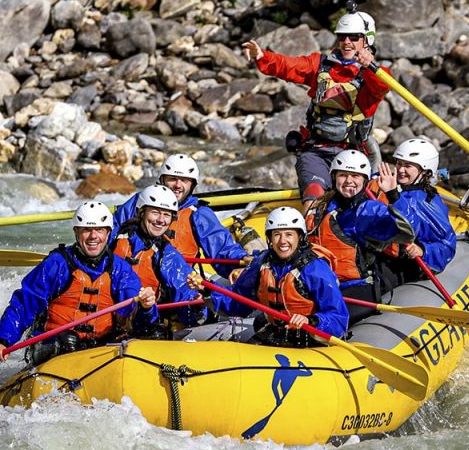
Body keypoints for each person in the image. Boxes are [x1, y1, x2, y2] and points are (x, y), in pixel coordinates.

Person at [241, 1, 391, 208]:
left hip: (353, 153)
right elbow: (289, 66)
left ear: (367, 40)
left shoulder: (377, 75)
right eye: (342, 37)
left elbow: (381, 88)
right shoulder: (320, 65)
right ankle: (312, 229)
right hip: (316, 151)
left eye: (354, 37)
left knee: (358, 206)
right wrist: (262, 57)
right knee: (314, 200)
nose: (346, 42)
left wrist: (370, 67)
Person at [0, 200, 158, 364]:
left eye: (99, 230)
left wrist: (145, 307)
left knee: (149, 335)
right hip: (51, 344)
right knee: (69, 340)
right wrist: (4, 340)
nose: (93, 236)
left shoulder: (120, 269)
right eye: (86, 230)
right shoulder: (56, 264)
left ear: (108, 233)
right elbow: (24, 304)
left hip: (98, 347)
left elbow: (134, 310)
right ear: (76, 232)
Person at [190, 206, 348, 347]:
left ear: (300, 237)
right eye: (277, 235)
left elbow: (338, 318)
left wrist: (312, 320)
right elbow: (237, 302)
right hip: (276, 332)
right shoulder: (261, 264)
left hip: (310, 338)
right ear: (270, 238)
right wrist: (208, 289)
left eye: (289, 234)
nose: (283, 241)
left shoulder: (316, 269)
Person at [305, 149, 415, 325]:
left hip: (357, 289)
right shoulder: (321, 207)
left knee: (313, 321)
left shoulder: (368, 210)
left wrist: (393, 195)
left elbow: (406, 230)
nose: (349, 181)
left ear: (364, 180)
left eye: (355, 176)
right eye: (343, 175)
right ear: (334, 178)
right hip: (325, 286)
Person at [112, 153, 249, 280]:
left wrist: (243, 261)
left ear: (192, 184)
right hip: (127, 280)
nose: (178, 185)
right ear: (162, 179)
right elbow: (110, 233)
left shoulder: (198, 214)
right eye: (172, 179)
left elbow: (221, 248)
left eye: (184, 180)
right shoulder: (140, 201)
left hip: (177, 285)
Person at [111, 184, 205, 336]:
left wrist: (198, 299)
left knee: (157, 333)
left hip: (140, 323)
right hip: (105, 318)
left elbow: (184, 288)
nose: (161, 220)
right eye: (155, 213)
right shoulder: (114, 237)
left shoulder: (166, 254)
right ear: (141, 213)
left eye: (167, 215)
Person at [373, 138, 457, 290]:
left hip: (402, 266)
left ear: (424, 170)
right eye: (399, 163)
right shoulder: (388, 184)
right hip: (377, 254)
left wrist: (423, 250)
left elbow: (447, 245)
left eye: (408, 166)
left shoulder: (427, 202)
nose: (400, 170)